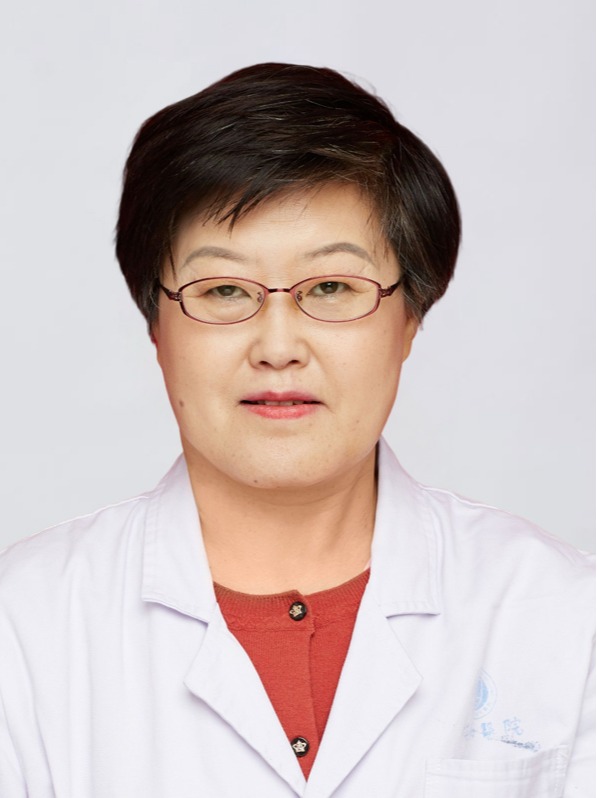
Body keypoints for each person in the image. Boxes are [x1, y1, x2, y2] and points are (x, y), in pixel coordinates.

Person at [0, 63, 593, 797]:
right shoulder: (24, 626)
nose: (278, 346)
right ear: (156, 325)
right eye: (223, 290)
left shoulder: (563, 615)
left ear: (410, 318)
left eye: (331, 287)